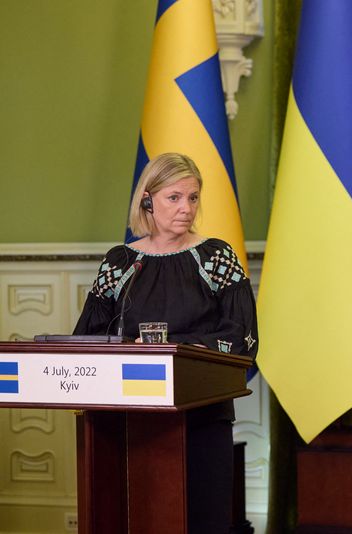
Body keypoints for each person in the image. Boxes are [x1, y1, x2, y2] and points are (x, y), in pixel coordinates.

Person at [73, 152, 258, 533]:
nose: (186, 208)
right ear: (147, 201)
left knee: (202, 518)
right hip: (130, 419)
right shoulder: (122, 263)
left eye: (192, 198)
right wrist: (129, 347)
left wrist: (169, 345)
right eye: (174, 197)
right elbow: (87, 339)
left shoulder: (216, 257)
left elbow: (241, 336)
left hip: (202, 414)